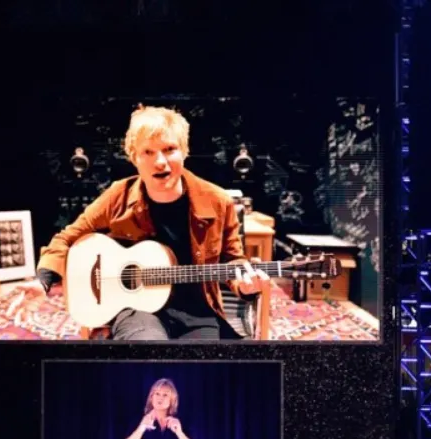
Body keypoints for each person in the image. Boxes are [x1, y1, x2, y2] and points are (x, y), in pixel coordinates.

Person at [27, 105, 269, 340]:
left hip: (197, 310)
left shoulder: (218, 201)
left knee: (200, 371)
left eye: (169, 149)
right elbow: (67, 237)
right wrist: (50, 270)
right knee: (148, 355)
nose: (160, 161)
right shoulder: (118, 196)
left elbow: (232, 260)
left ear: (184, 151)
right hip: (137, 310)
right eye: (148, 152)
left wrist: (243, 285)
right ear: (134, 158)